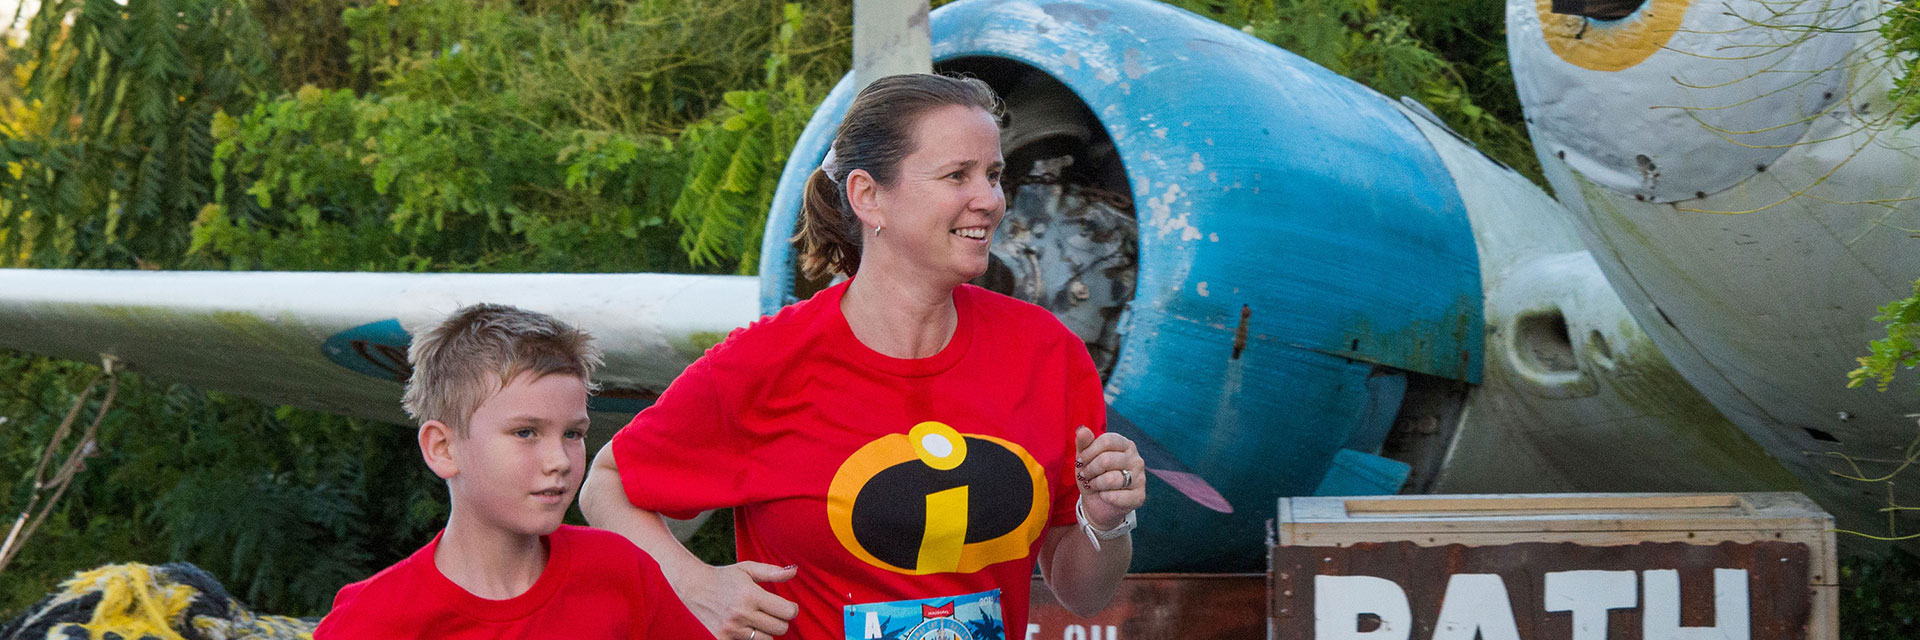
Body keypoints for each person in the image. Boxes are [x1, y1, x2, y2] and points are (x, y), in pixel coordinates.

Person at [579, 73, 1147, 640]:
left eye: (994, 175)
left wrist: (1106, 521)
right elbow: (607, 485)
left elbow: (1082, 593)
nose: (991, 200)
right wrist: (693, 583)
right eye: (957, 175)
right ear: (868, 196)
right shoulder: (768, 361)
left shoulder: (1048, 354)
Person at [314, 304, 712, 639]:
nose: (559, 460)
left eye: (573, 434)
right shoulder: (371, 623)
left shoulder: (621, 572)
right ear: (443, 448)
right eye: (526, 432)